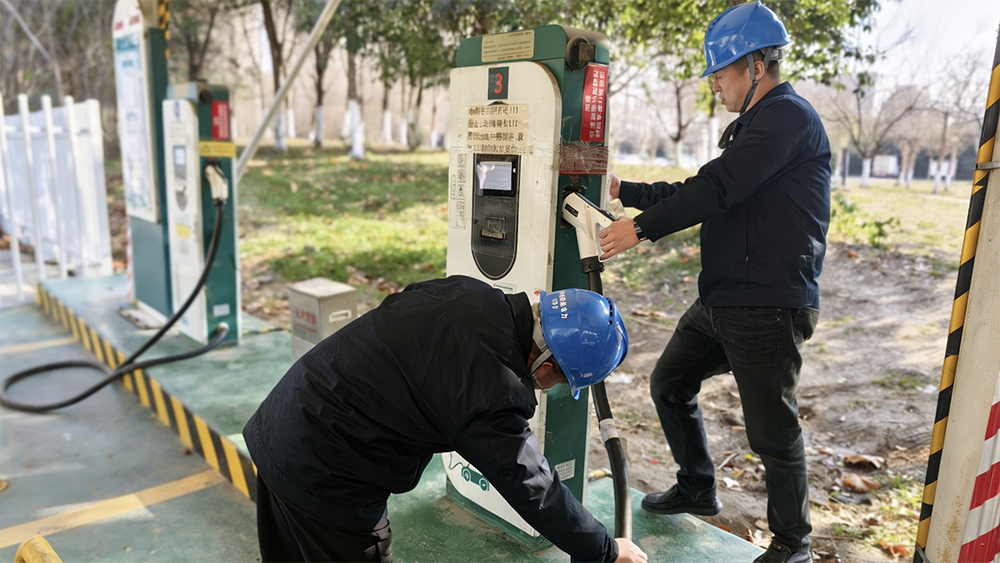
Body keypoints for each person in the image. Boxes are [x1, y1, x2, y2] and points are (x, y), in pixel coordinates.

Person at [597, 3, 831, 563]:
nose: (716, 88)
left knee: (772, 432)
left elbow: (716, 190)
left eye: (720, 75)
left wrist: (641, 230)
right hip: (723, 298)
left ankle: (793, 545)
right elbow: (701, 187)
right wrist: (625, 187)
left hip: (767, 303)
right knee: (669, 384)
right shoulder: (754, 127)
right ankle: (698, 486)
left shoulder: (788, 118)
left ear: (754, 66)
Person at [243, 275, 647, 563]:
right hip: (328, 473)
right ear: (546, 359)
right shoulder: (495, 388)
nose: (551, 386)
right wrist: (606, 550)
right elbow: (532, 486)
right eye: (558, 377)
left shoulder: (469, 291)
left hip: (284, 421)